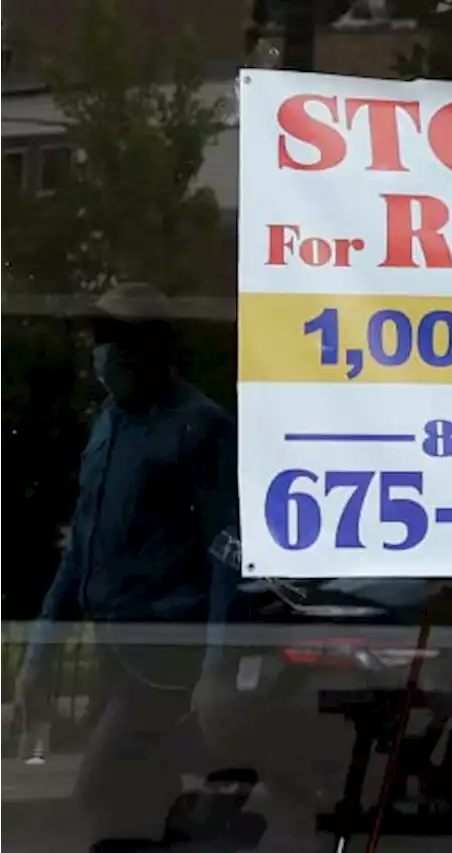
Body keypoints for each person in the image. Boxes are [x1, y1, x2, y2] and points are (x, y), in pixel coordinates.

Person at [13, 281, 238, 853]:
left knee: (100, 788)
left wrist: (216, 668)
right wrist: (43, 650)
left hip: (166, 655)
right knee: (140, 797)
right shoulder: (108, 424)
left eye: (114, 339)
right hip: (113, 650)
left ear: (150, 349)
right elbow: (82, 546)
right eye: (99, 338)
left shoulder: (199, 427)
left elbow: (227, 552)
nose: (101, 352)